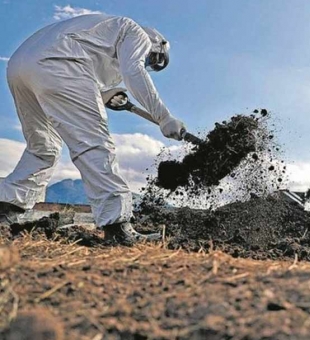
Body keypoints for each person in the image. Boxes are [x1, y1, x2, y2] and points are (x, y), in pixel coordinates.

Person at [0, 14, 185, 245]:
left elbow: (85, 68)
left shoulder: (101, 31)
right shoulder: (135, 31)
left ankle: (5, 209)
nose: (149, 64)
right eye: (152, 60)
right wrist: (164, 117)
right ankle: (118, 227)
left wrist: (106, 94)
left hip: (20, 66)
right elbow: (133, 71)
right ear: (156, 43)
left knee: (43, 147)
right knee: (95, 144)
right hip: (61, 63)